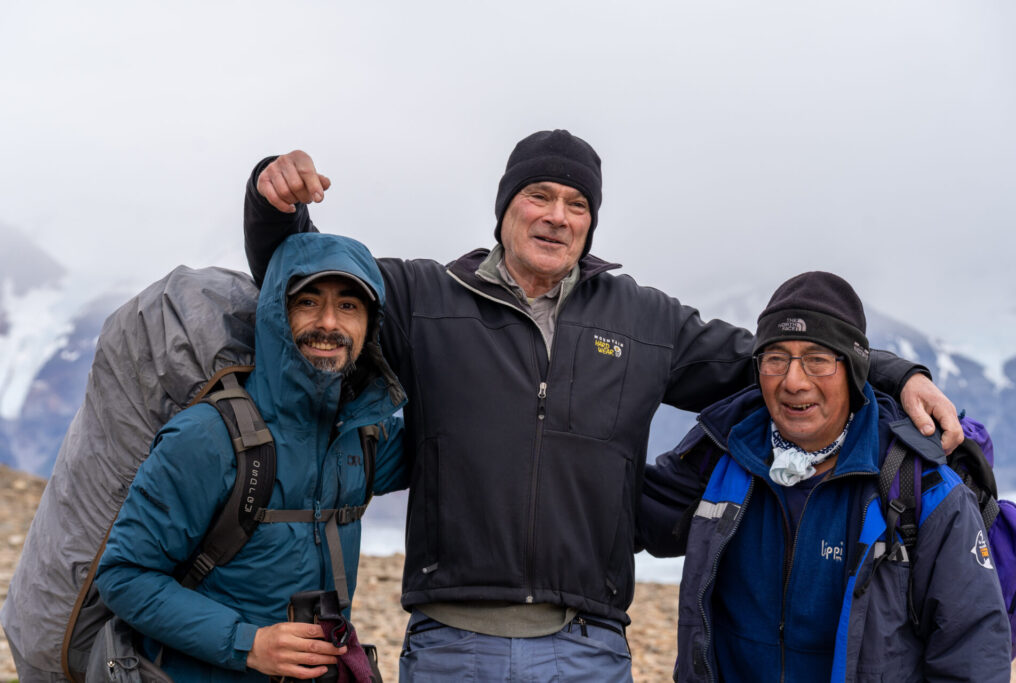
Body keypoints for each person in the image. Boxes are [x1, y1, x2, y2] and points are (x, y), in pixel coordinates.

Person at [242, 130, 963, 681]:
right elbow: (302, 283)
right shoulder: (425, 299)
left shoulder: (643, 319)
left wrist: (894, 373)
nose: (557, 216)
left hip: (586, 647)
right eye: (540, 196)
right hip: (452, 642)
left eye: (577, 204)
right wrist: (271, 203)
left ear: (591, 222)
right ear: (505, 208)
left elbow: (773, 362)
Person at [636, 271, 1011, 682]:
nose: (794, 382)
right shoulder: (720, 455)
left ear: (854, 370)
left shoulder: (918, 484)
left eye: (818, 360)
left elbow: (971, 650)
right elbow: (625, 518)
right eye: (775, 359)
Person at [96, 232, 407, 681]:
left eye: (348, 306)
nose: (328, 323)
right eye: (308, 302)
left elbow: (455, 448)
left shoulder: (363, 437)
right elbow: (124, 576)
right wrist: (248, 643)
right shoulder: (207, 437)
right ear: (277, 315)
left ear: (369, 326)